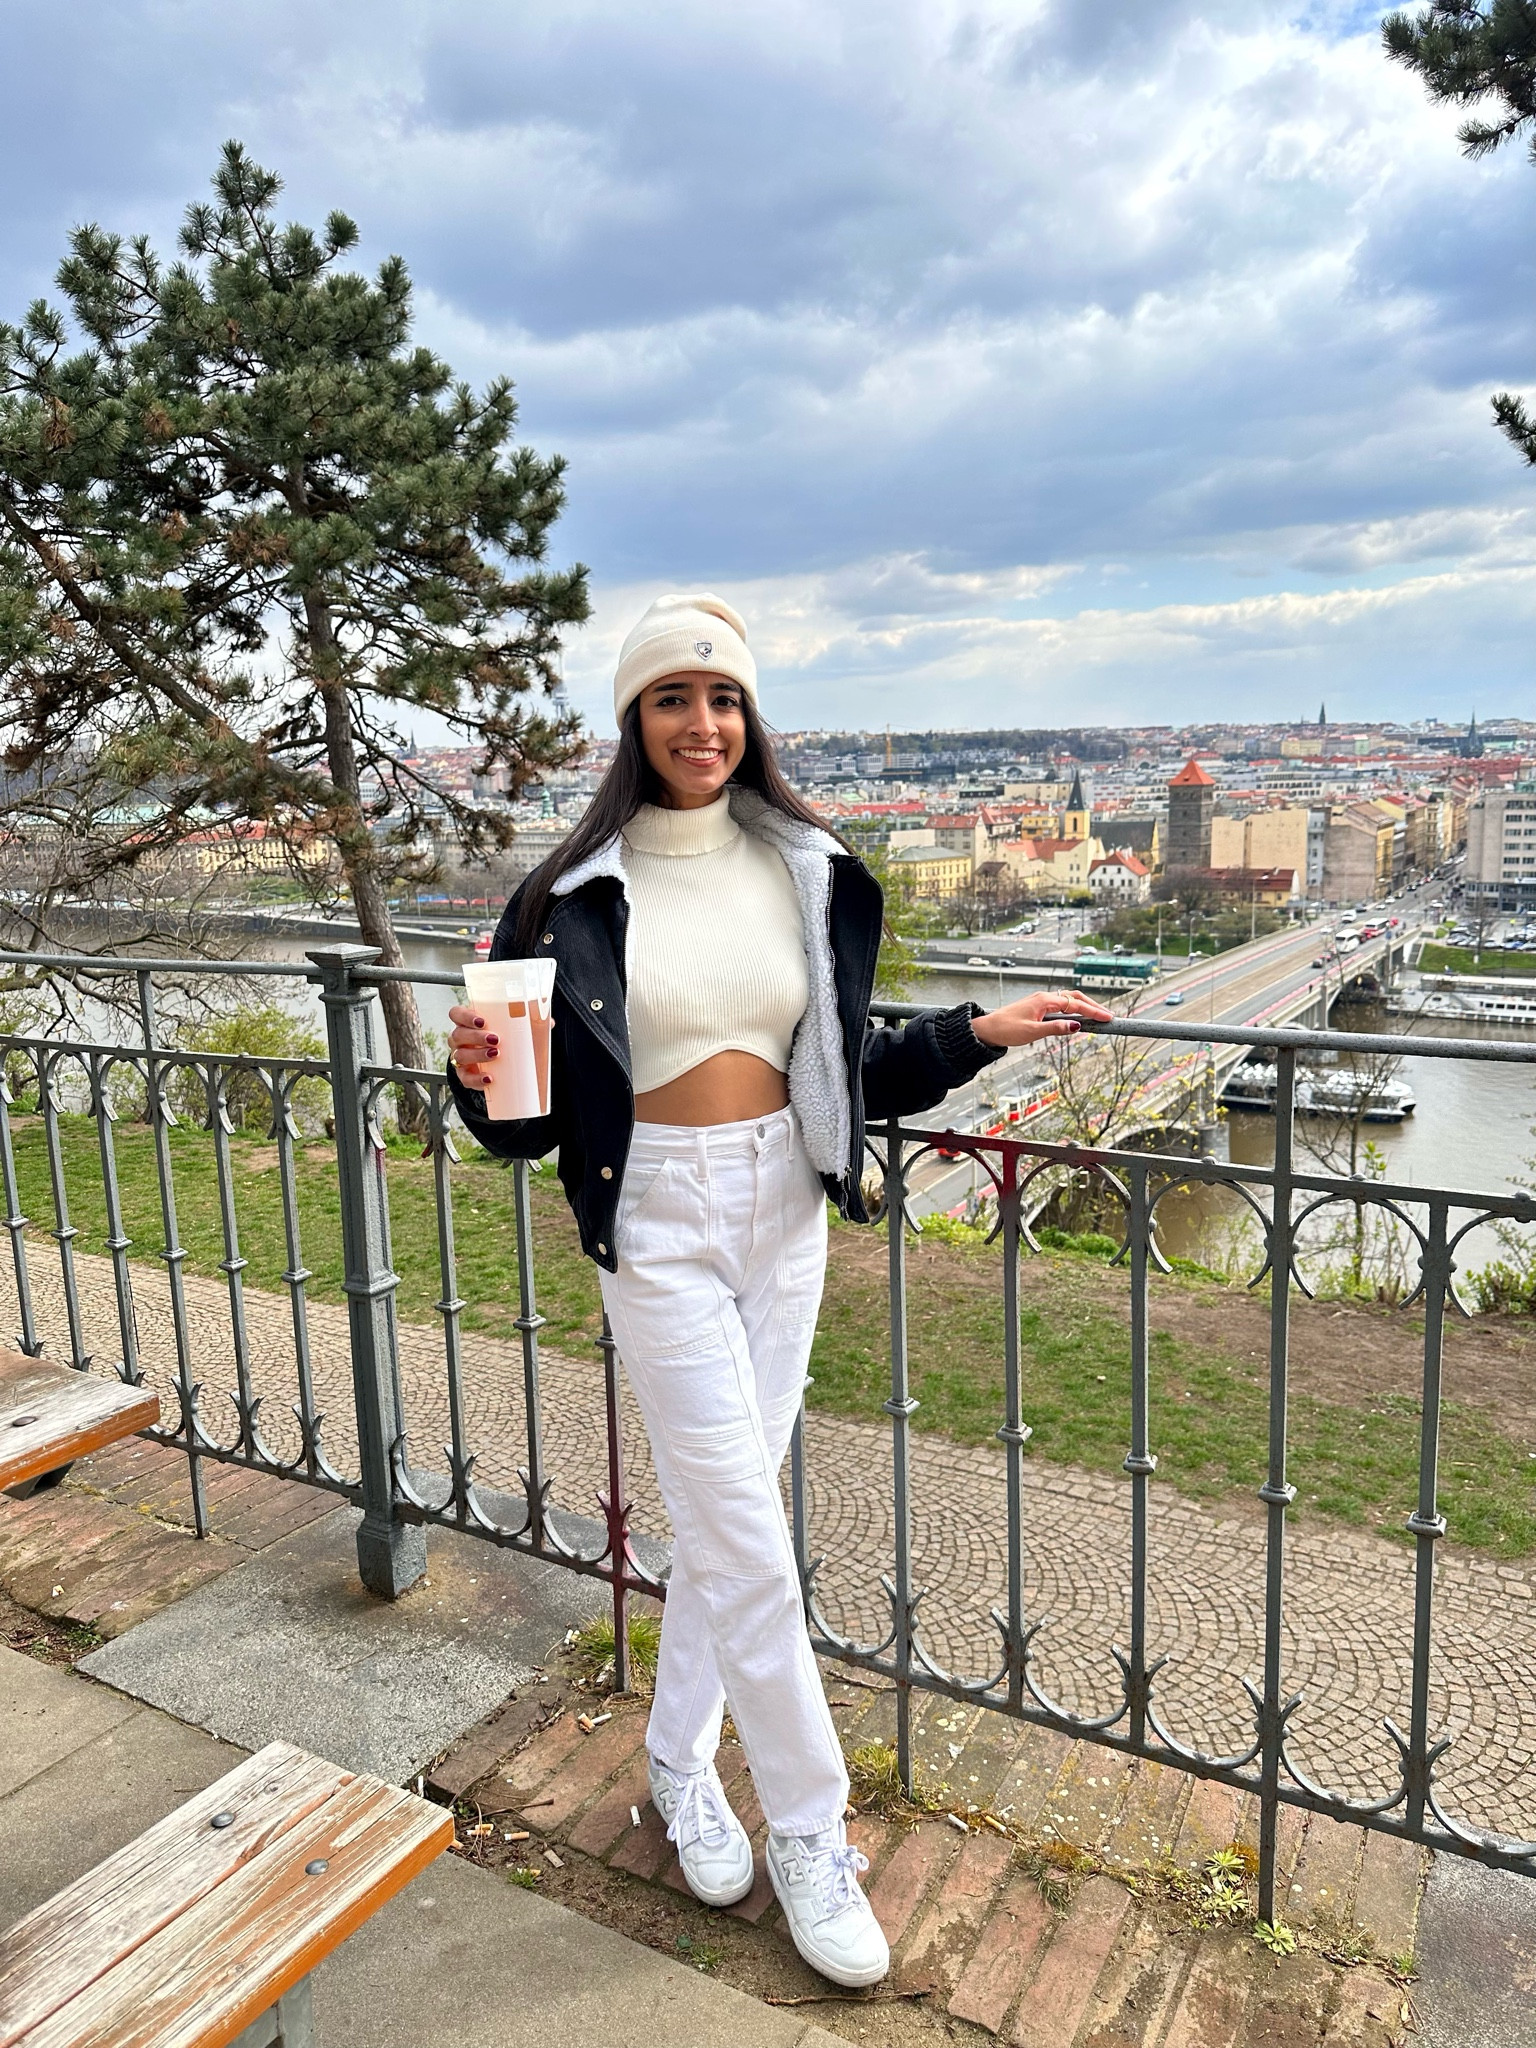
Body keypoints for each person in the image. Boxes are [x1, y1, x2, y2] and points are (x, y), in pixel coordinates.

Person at [447, 593, 1110, 1987]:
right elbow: (522, 1126)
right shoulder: (565, 897)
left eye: (724, 699)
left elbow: (842, 1070)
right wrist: (474, 1077)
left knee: (726, 1514)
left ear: (750, 719)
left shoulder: (801, 864)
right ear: (633, 720)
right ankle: (811, 1826)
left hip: (785, 1211)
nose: (703, 724)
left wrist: (980, 1032)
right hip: (659, 1218)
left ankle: (678, 1761)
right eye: (673, 698)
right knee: (747, 1536)